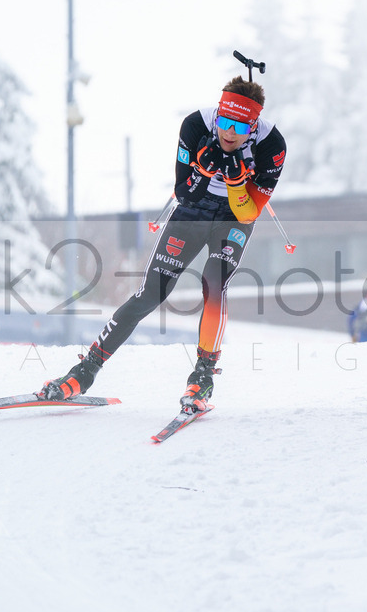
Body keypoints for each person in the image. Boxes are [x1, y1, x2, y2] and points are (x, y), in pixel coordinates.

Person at [38, 76, 286, 413]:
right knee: (150, 294)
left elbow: (247, 213)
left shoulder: (272, 145)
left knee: (214, 284)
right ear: (218, 114)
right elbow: (184, 193)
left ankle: (202, 377)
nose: (229, 133)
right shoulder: (197, 124)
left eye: (239, 127)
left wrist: (236, 180)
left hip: (234, 216)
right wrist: (201, 169)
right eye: (225, 122)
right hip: (191, 212)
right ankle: (84, 371)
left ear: (253, 126)